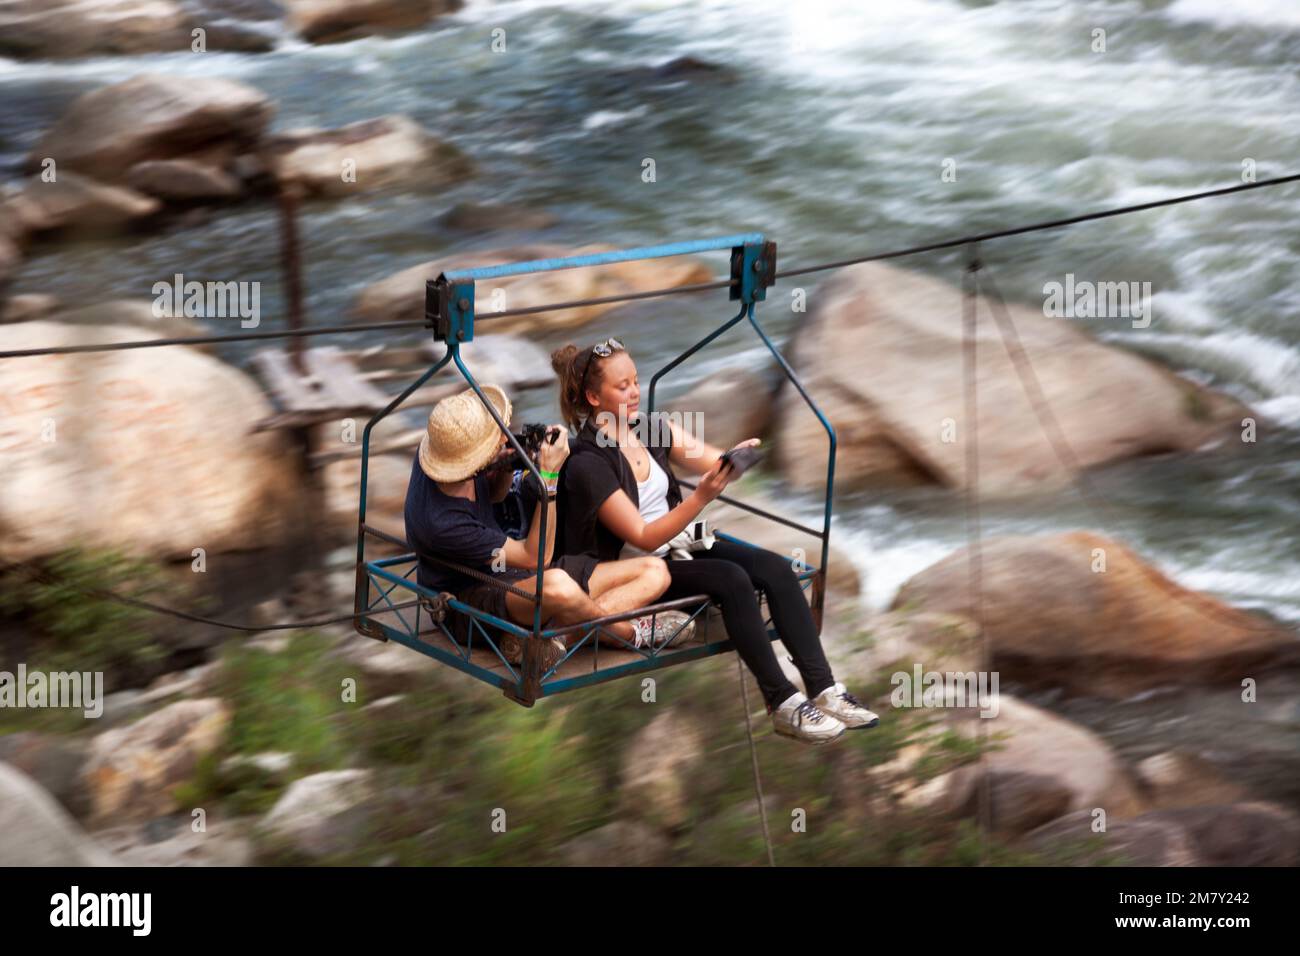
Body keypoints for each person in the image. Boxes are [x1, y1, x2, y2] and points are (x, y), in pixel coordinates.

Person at [551, 339, 879, 744]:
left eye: (636, 381)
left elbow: (711, 460)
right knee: (731, 580)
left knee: (776, 569)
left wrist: (736, 458)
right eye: (622, 387)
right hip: (638, 566)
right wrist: (703, 496)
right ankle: (782, 703)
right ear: (592, 396)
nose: (635, 392)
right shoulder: (587, 462)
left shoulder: (652, 428)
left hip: (681, 543)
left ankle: (824, 689)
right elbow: (643, 534)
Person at [403, 383, 690, 674]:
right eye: (493, 439)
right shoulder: (442, 523)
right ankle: (628, 635)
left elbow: (494, 496)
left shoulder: (442, 446)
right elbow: (535, 558)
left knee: (654, 571)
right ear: (470, 462)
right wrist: (549, 476)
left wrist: (505, 465)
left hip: (513, 573)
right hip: (468, 599)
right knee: (556, 584)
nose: (503, 437)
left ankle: (560, 637)